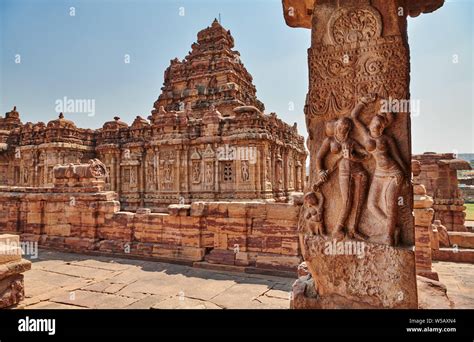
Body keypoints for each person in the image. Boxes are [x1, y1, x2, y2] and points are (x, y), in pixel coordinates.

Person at [351, 95, 409, 245]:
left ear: (383, 127)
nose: (377, 127)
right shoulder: (365, 134)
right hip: (379, 173)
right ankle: (391, 227)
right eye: (375, 123)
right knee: (371, 205)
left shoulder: (387, 139)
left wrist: (407, 177)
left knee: (390, 205)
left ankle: (389, 237)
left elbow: (398, 157)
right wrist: (363, 101)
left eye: (380, 126)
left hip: (393, 174)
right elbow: (354, 117)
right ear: (370, 123)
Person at [316, 116, 369, 239]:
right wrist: (320, 171)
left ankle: (354, 229)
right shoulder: (330, 141)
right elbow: (319, 157)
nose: (342, 129)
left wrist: (354, 157)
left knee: (359, 202)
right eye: (340, 126)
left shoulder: (351, 142)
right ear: (336, 126)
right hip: (344, 172)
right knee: (347, 201)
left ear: (349, 129)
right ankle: (338, 229)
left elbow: (367, 156)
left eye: (346, 127)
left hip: (359, 172)